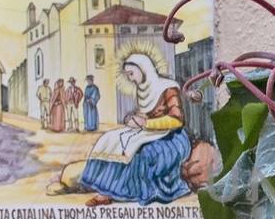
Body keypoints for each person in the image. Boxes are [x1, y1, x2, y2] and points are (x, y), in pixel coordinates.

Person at [78, 53, 191, 206]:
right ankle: (104, 192)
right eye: (128, 75)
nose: (130, 79)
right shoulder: (142, 90)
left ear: (143, 69)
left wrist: (145, 123)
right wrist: (133, 120)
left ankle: (129, 192)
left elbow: (177, 120)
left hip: (172, 137)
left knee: (140, 152)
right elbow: (143, 115)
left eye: (131, 74)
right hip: (150, 132)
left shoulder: (168, 88)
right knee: (109, 139)